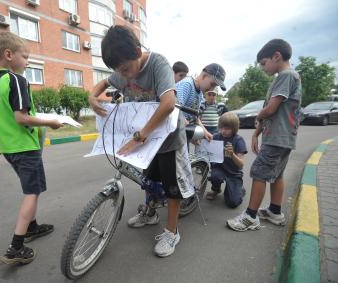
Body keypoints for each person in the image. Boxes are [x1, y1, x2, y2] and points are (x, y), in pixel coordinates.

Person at [89, 25, 206, 257]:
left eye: (126, 69)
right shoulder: (123, 70)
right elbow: (104, 83)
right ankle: (150, 213)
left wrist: (140, 136)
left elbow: (168, 104)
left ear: (137, 50)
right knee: (151, 180)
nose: (125, 76)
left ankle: (172, 232)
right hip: (147, 142)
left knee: (172, 189)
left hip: (169, 139)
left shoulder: (157, 64)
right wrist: (91, 96)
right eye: (119, 72)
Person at [0, 31, 64, 264]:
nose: (28, 61)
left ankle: (31, 227)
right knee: (32, 192)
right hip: (25, 147)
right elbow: (22, 118)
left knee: (32, 188)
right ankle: (16, 247)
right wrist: (50, 122)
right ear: (9, 54)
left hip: (10, 148)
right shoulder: (17, 80)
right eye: (25, 56)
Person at [128, 63, 227, 229]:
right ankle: (149, 212)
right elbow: (174, 109)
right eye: (212, 83)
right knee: (152, 179)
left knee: (170, 181)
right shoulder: (186, 85)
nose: (212, 88)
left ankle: (160, 220)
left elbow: (196, 116)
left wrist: (202, 131)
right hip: (166, 136)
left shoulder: (199, 94)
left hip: (177, 140)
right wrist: (188, 129)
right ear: (204, 75)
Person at [227, 39, 302, 231]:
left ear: (276, 56)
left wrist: (258, 116)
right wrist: (256, 133)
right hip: (283, 137)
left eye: (263, 63)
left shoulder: (286, 76)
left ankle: (250, 217)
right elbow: (272, 113)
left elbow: (270, 109)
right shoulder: (287, 77)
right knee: (277, 175)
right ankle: (274, 211)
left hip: (277, 137)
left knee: (259, 172)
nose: (262, 68)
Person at [205, 112, 247, 208]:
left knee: (232, 203)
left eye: (227, 128)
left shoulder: (239, 140)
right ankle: (216, 189)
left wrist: (232, 154)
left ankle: (239, 189)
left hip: (234, 173)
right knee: (215, 175)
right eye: (222, 127)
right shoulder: (216, 137)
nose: (223, 131)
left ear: (234, 128)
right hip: (220, 169)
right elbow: (205, 144)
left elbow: (241, 165)